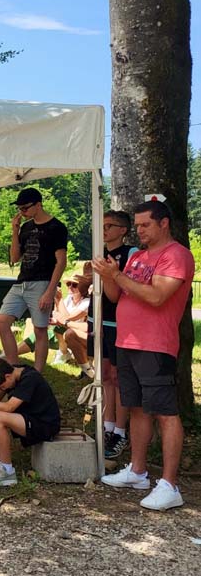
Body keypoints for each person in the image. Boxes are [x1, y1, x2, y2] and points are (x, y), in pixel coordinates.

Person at [93, 200, 193, 511]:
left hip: (155, 344)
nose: (139, 231)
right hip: (127, 341)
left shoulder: (176, 255)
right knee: (136, 407)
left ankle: (170, 485)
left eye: (145, 225)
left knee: (165, 412)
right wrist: (108, 275)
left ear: (164, 223)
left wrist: (119, 276)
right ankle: (138, 471)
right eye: (136, 225)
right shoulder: (138, 257)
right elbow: (115, 296)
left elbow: (158, 296)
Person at [82, 210, 138, 459]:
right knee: (103, 374)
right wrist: (86, 281)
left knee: (118, 377)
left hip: (117, 322)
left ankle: (120, 431)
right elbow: (91, 287)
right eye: (101, 226)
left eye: (109, 226)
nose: (104, 230)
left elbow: (119, 291)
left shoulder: (130, 253)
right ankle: (106, 426)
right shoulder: (99, 253)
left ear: (123, 230)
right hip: (96, 319)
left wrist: (108, 275)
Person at [0, 188, 68, 372]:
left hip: (42, 282)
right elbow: (14, 258)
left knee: (40, 329)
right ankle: (13, 367)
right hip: (21, 282)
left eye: (25, 208)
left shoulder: (56, 227)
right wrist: (15, 231)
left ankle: (37, 373)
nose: (22, 212)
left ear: (38, 205)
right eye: (19, 208)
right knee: (1, 322)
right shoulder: (26, 227)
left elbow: (61, 261)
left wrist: (50, 292)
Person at [0, 357, 61, 487]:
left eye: (2, 386)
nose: (2, 389)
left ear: (7, 376)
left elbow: (9, 407)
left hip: (44, 425)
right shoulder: (11, 373)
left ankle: (6, 470)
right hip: (27, 418)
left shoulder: (30, 378)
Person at [15, 274, 89, 366]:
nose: (70, 287)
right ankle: (8, 355)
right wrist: (57, 302)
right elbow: (55, 313)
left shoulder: (86, 302)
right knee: (38, 335)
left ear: (83, 288)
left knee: (57, 329)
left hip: (74, 335)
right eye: (68, 284)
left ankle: (64, 354)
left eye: (74, 285)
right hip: (62, 331)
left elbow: (67, 318)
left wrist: (59, 300)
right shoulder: (69, 299)